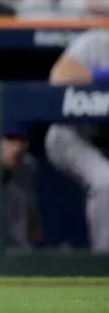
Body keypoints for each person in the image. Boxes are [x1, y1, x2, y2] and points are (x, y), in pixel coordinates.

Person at [46, 28, 109, 250]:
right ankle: (104, 262)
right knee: (105, 181)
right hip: (70, 134)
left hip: (102, 139)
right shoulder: (96, 42)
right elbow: (60, 76)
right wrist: (103, 77)